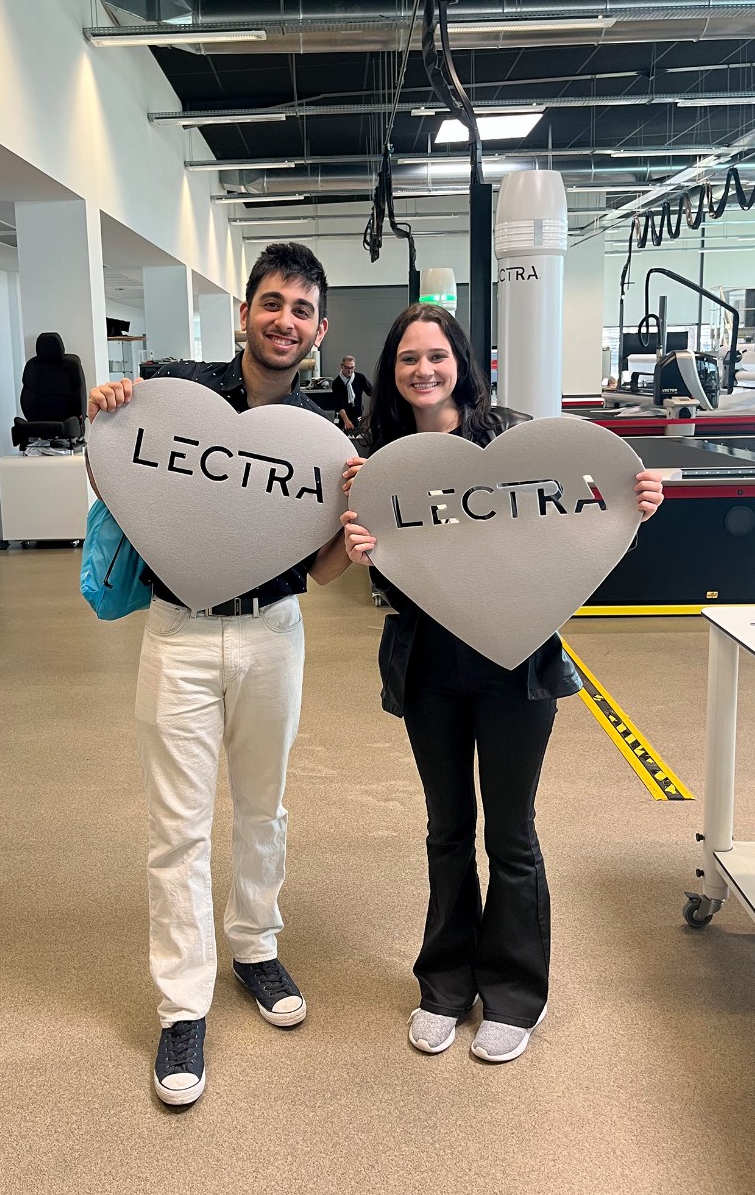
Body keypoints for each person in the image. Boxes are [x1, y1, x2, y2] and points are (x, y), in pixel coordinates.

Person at [340, 303, 664, 1064]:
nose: (424, 370)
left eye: (437, 355)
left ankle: (517, 995)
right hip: (427, 665)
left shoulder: (512, 436)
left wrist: (633, 505)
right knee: (446, 830)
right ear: (392, 370)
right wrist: (360, 552)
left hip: (516, 662)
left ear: (460, 361)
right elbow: (366, 570)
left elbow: (576, 516)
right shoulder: (375, 457)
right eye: (408, 358)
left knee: (511, 834)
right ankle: (445, 985)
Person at [87, 244, 352, 1106]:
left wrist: (353, 538)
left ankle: (254, 948)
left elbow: (318, 569)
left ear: (319, 328)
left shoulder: (322, 437)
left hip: (275, 632)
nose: (286, 320)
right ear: (245, 312)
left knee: (262, 808)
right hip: (179, 634)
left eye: (303, 309)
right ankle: (181, 1005)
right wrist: (110, 406)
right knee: (177, 828)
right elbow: (121, 466)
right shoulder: (172, 387)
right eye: (272, 302)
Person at [331, 354, 373, 433]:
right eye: (347, 368)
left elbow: (372, 392)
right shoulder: (337, 383)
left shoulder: (360, 378)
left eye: (352, 368)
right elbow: (339, 405)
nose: (350, 370)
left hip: (358, 415)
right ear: (342, 366)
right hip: (343, 417)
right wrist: (346, 421)